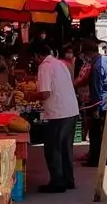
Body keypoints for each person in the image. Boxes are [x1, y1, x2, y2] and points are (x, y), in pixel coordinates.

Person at [26, 40, 79, 193]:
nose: (34, 61)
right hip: (71, 111)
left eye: (33, 58)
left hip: (58, 114)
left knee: (53, 148)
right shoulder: (60, 64)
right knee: (66, 149)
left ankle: (57, 182)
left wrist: (31, 96)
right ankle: (68, 180)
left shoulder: (45, 66)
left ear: (37, 55)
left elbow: (45, 93)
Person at [86, 41, 107, 168]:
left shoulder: (97, 66)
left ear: (90, 53)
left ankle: (96, 159)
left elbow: (96, 88)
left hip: (102, 102)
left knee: (96, 132)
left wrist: (96, 108)